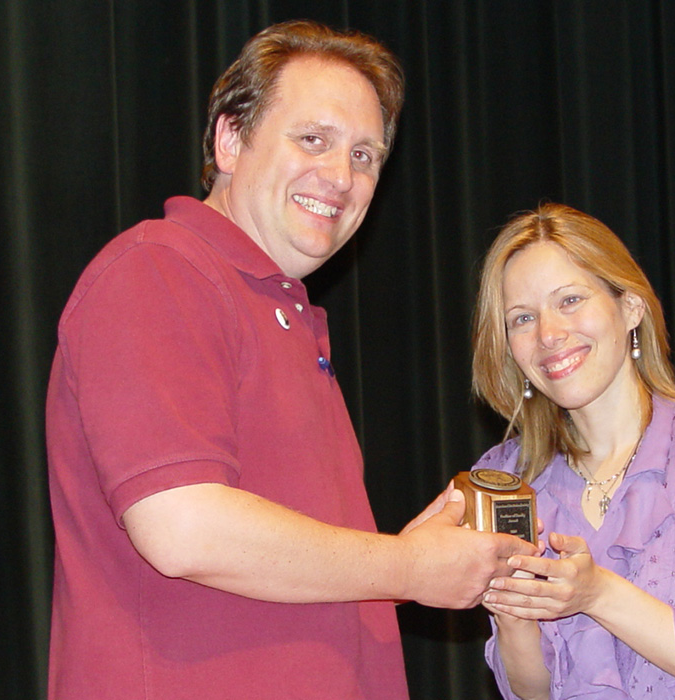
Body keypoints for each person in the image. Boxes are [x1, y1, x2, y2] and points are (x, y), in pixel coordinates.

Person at [46, 20, 537, 700]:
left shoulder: (283, 317)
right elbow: (182, 528)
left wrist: (409, 562)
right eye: (313, 140)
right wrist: (404, 566)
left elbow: (277, 580)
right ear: (229, 139)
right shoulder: (158, 270)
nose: (339, 176)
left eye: (365, 157)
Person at [469, 203, 675, 699]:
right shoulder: (502, 478)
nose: (548, 334)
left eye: (571, 300)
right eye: (522, 318)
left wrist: (597, 593)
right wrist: (512, 609)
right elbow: (531, 692)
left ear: (630, 308)